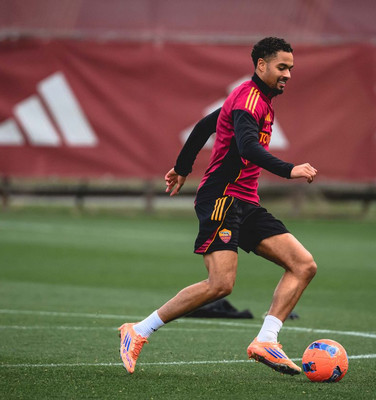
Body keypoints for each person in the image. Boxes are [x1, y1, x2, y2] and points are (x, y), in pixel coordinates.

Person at [119, 37, 318, 375]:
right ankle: (138, 331)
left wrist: (182, 168)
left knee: (303, 265)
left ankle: (266, 340)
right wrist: (289, 170)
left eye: (291, 68)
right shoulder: (249, 100)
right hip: (221, 199)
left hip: (245, 201)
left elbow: (203, 127)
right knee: (220, 284)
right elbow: (247, 147)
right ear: (261, 65)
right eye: (282, 67)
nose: (287, 74)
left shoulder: (254, 99)